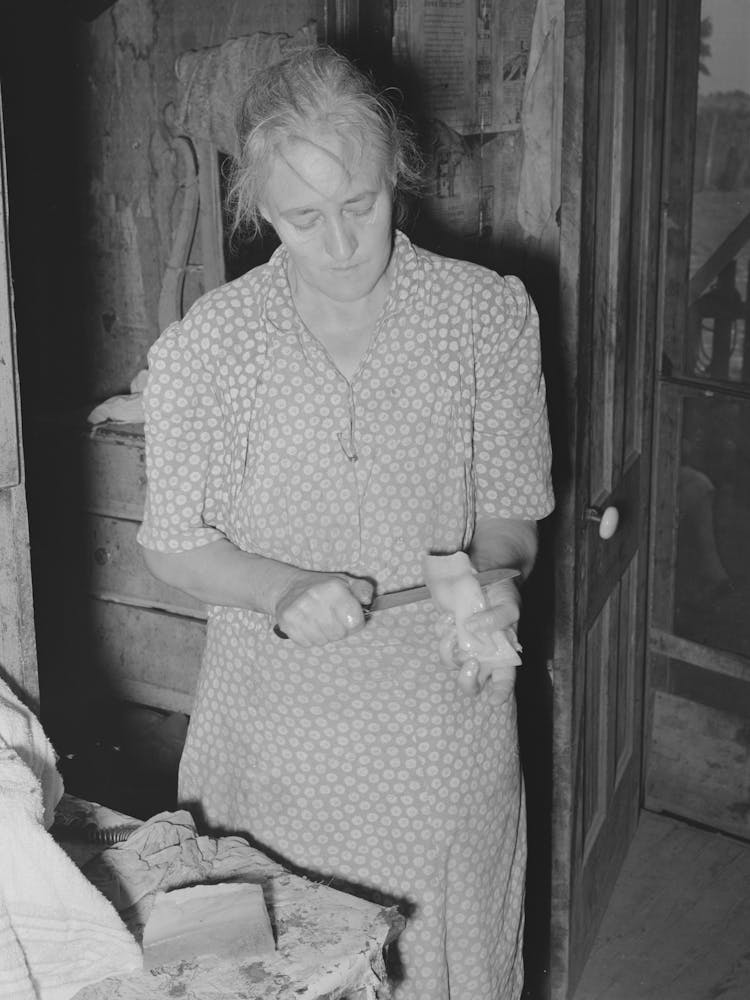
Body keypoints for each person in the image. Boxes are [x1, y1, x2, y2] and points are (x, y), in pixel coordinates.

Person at [137, 45, 553, 1000]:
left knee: (440, 964)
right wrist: (279, 588)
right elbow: (172, 543)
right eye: (301, 218)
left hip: (441, 731)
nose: (337, 246)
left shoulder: (486, 316)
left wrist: (490, 580)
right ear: (260, 208)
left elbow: (512, 514)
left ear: (396, 175)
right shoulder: (211, 343)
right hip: (275, 741)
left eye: (358, 206)